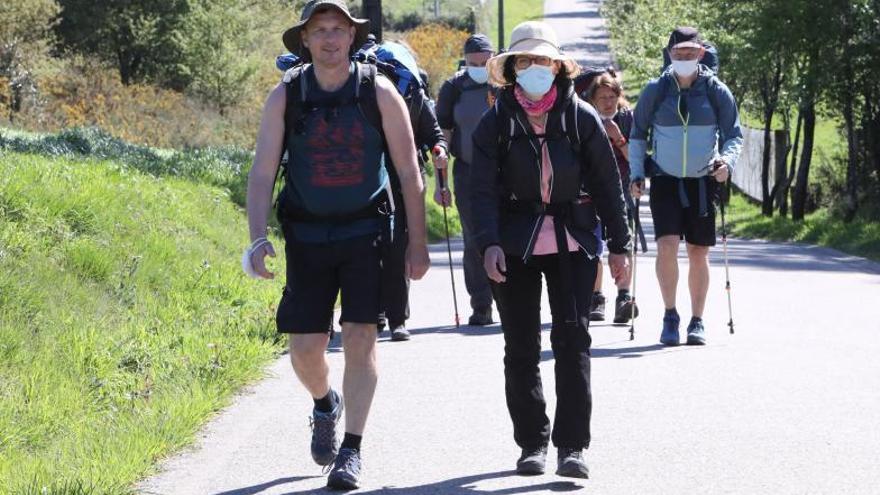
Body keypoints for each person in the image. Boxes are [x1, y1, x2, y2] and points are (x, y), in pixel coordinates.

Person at [243, 0, 430, 489]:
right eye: (319, 30)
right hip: (306, 236)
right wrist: (257, 237)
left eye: (338, 29)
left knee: (361, 337)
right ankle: (325, 402)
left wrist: (418, 244)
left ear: (353, 37)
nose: (329, 38)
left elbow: (411, 174)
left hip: (367, 233)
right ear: (304, 40)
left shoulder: (379, 91)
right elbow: (262, 174)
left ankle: (351, 449)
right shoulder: (286, 96)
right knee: (304, 349)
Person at [471, 21, 632, 478]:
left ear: (557, 67)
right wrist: (487, 246)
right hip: (513, 244)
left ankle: (572, 447)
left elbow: (606, 184)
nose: (536, 68)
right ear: (513, 69)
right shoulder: (495, 122)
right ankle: (532, 444)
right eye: (526, 61)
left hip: (573, 241)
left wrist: (619, 247)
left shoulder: (580, 116)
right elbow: (479, 191)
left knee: (573, 341)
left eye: (543, 60)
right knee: (520, 346)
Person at [629, 26, 742, 346]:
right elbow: (637, 135)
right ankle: (670, 315)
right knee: (666, 246)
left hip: (703, 181)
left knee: (698, 251)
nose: (684, 59)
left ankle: (697, 320)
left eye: (690, 54)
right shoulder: (656, 90)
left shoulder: (717, 91)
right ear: (670, 55)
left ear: (701, 54)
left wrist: (727, 163)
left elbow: (734, 135)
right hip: (665, 179)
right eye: (678, 54)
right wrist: (636, 175)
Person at [435, 33, 497, 326]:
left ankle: (510, 298)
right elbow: (443, 136)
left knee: (509, 234)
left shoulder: (507, 85)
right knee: (474, 239)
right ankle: (482, 304)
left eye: (484, 62)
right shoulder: (454, 88)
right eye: (473, 63)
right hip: (468, 172)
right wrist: (441, 182)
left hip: (506, 174)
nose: (479, 67)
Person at [583, 69, 639, 324]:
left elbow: (636, 159)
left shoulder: (628, 118)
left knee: (622, 243)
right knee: (594, 245)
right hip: (592, 191)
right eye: (603, 97)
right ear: (593, 98)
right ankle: (596, 296)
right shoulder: (585, 117)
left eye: (612, 96)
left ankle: (624, 297)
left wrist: (618, 138)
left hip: (622, 190)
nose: (608, 102)